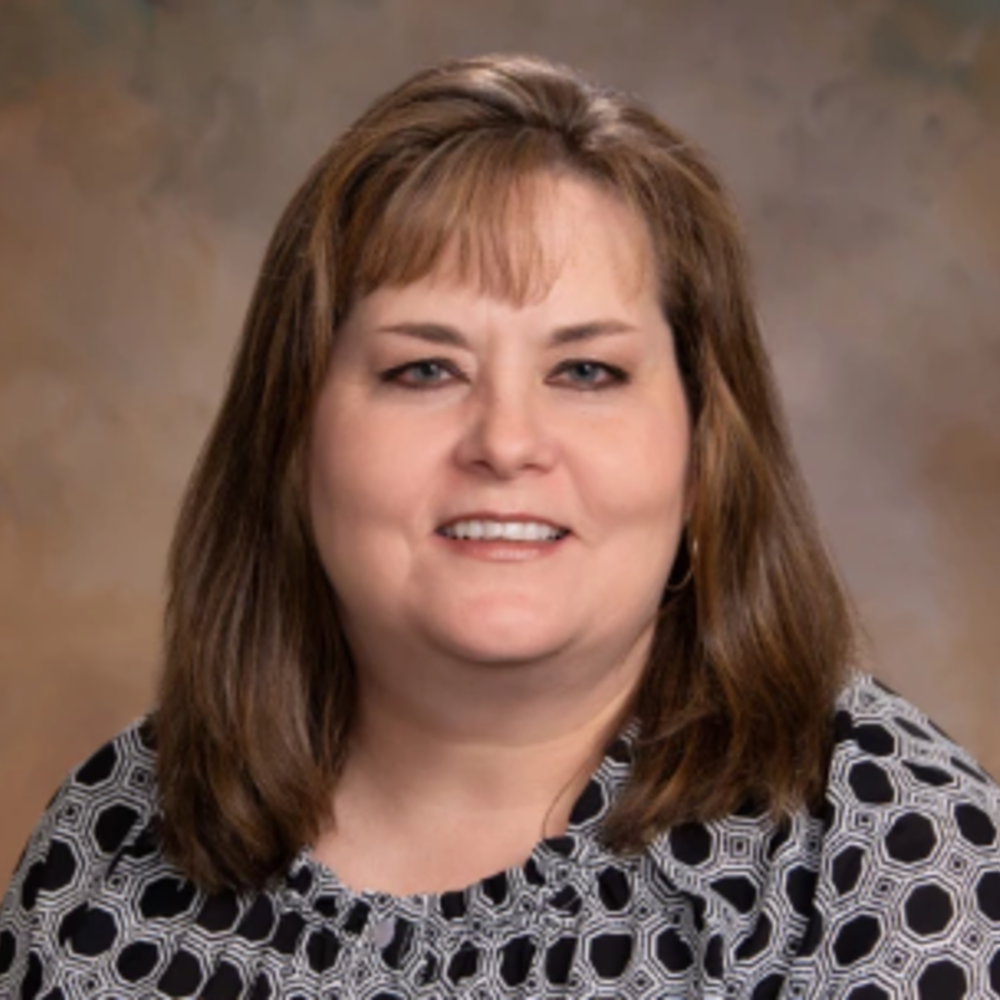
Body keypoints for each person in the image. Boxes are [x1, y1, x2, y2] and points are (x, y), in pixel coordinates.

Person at [1, 52, 998, 1000]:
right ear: (293, 438)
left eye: (587, 371)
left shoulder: (888, 856)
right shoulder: (111, 844)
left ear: (704, 453)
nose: (506, 442)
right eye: (424, 369)